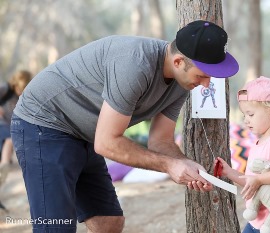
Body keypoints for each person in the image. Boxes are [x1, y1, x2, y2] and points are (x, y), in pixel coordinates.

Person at [10, 20, 239, 233]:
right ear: (178, 62)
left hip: (84, 132)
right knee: (56, 225)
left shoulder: (183, 83)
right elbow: (107, 143)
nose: (206, 84)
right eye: (203, 75)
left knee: (109, 222)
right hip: (43, 123)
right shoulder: (135, 65)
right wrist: (169, 166)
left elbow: (161, 141)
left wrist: (183, 163)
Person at [214, 76, 270, 233]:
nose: (246, 120)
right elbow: (252, 182)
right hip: (258, 222)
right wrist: (228, 172)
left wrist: (259, 179)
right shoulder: (257, 144)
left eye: (251, 114)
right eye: (244, 116)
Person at [0, 70, 32, 185]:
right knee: (9, 140)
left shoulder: (23, 97)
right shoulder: (6, 89)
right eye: (20, 88)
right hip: (1, 124)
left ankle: (4, 164)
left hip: (9, 128)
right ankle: (4, 165)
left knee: (10, 141)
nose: (20, 92)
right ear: (15, 83)